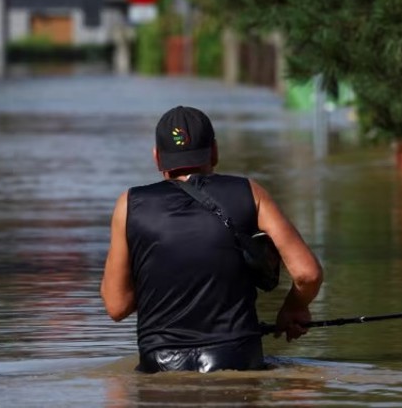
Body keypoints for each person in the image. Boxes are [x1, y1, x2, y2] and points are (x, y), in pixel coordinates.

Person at [101, 105, 324, 373]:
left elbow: (116, 305)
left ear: (157, 158)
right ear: (215, 151)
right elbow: (307, 274)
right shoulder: (249, 193)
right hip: (237, 360)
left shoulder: (129, 205)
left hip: (160, 368)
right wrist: (293, 307)